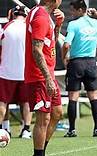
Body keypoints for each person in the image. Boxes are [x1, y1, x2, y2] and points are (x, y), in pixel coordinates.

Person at [25, 0, 64, 155]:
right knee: (43, 119)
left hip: (47, 74)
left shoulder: (44, 15)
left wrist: (58, 24)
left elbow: (50, 43)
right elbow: (36, 50)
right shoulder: (41, 17)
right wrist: (47, 78)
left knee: (57, 112)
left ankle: (42, 151)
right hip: (40, 76)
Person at [61, 0, 97, 137]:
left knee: (73, 97)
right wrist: (95, 12)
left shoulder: (74, 25)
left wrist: (64, 58)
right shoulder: (96, 23)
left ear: (80, 10)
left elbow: (66, 45)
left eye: (73, 10)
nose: (71, 13)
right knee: (94, 96)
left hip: (76, 63)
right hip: (91, 63)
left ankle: (72, 130)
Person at [0, 5, 32, 139]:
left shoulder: (6, 28)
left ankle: (3, 128)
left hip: (6, 71)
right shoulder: (29, 29)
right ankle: (26, 129)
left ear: (12, 14)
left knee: (2, 101)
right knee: (26, 102)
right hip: (25, 72)